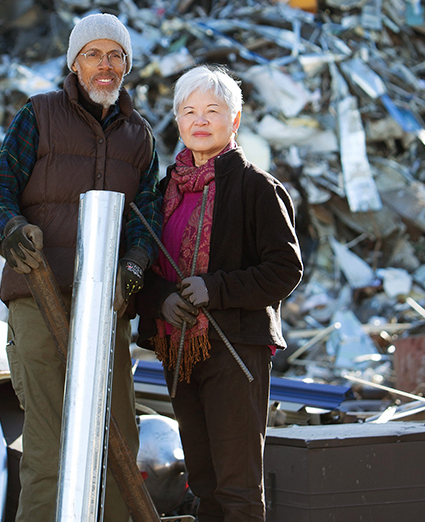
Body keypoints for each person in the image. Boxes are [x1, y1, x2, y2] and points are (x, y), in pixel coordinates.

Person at [0, 13, 162, 522]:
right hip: (39, 297)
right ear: (75, 62)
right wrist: (12, 228)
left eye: (116, 56)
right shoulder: (38, 115)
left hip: (107, 304)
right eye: (94, 54)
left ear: (127, 65)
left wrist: (136, 264)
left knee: (118, 439)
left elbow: (147, 219)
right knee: (49, 445)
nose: (106, 65)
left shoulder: (139, 137)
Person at [136, 65, 303, 521]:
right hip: (180, 351)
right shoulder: (162, 191)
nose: (200, 120)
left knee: (238, 489)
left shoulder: (256, 188)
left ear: (236, 118)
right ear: (178, 120)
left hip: (236, 353)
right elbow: (143, 266)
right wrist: (161, 299)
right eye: (189, 111)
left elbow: (285, 270)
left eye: (213, 110)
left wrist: (215, 289)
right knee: (204, 486)